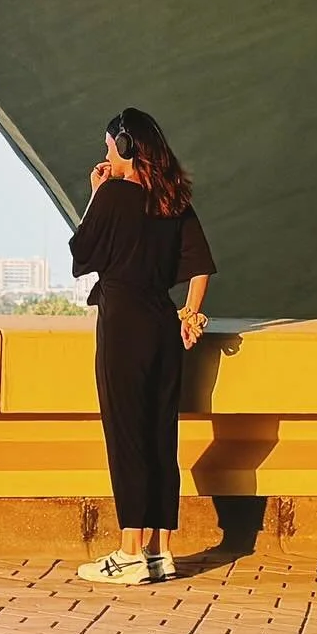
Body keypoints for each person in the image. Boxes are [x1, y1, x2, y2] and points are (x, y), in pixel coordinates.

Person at [70, 108, 215, 584]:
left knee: (127, 435)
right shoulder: (173, 199)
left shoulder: (113, 195)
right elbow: (199, 265)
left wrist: (96, 193)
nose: (106, 155)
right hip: (163, 326)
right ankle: (160, 551)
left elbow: (82, 254)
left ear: (126, 147)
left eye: (109, 146)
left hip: (123, 327)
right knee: (159, 437)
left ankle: (130, 552)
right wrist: (189, 314)